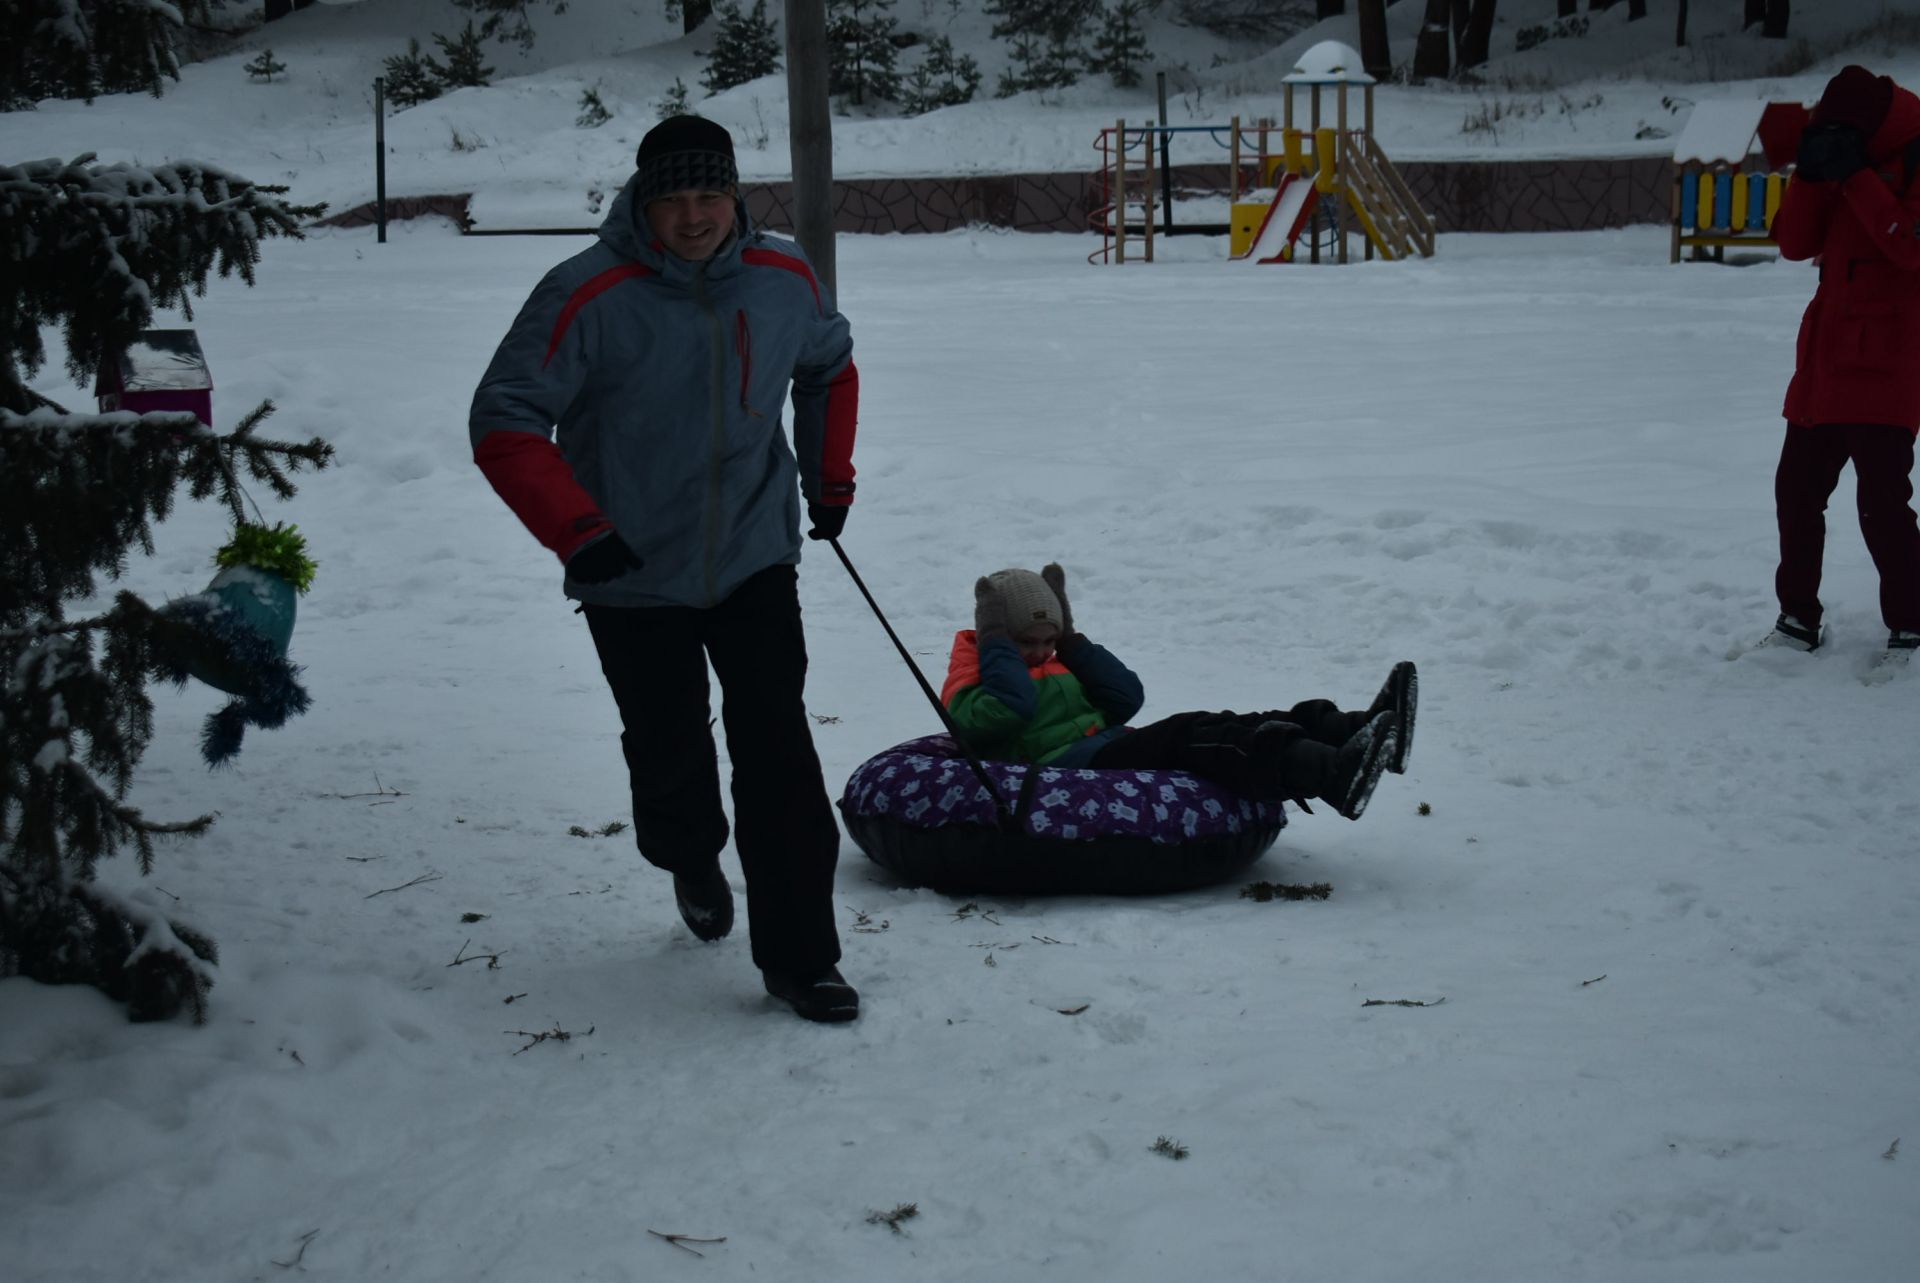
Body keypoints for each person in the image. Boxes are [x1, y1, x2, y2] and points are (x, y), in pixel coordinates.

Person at [468, 116, 860, 1023]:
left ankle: (804, 957)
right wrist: (577, 529)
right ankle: (689, 850)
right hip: (631, 563)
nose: (695, 216)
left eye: (711, 194)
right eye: (675, 197)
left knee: (778, 746)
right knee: (668, 741)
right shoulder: (587, 292)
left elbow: (828, 365)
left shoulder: (782, 276)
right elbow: (506, 417)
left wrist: (829, 477)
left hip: (754, 554)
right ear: (644, 201)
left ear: (737, 195)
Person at [942, 565, 1415, 821]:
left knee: (1227, 723)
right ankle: (1332, 776)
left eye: (1049, 640)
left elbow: (1126, 699)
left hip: (1107, 746)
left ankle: (1357, 728)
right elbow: (1009, 710)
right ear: (997, 635)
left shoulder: (1057, 656)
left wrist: (1073, 642)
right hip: (1068, 769)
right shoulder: (975, 675)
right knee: (1191, 733)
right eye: (1027, 642)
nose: (1041, 653)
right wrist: (999, 649)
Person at [1767, 65, 1920, 659]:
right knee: (1795, 492)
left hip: (1888, 363)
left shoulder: (1911, 155)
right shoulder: (1839, 145)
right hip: (1825, 363)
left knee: (1882, 505)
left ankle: (1911, 625)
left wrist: (1855, 175)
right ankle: (1797, 619)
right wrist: (1809, 173)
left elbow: (1908, 249)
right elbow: (1794, 244)